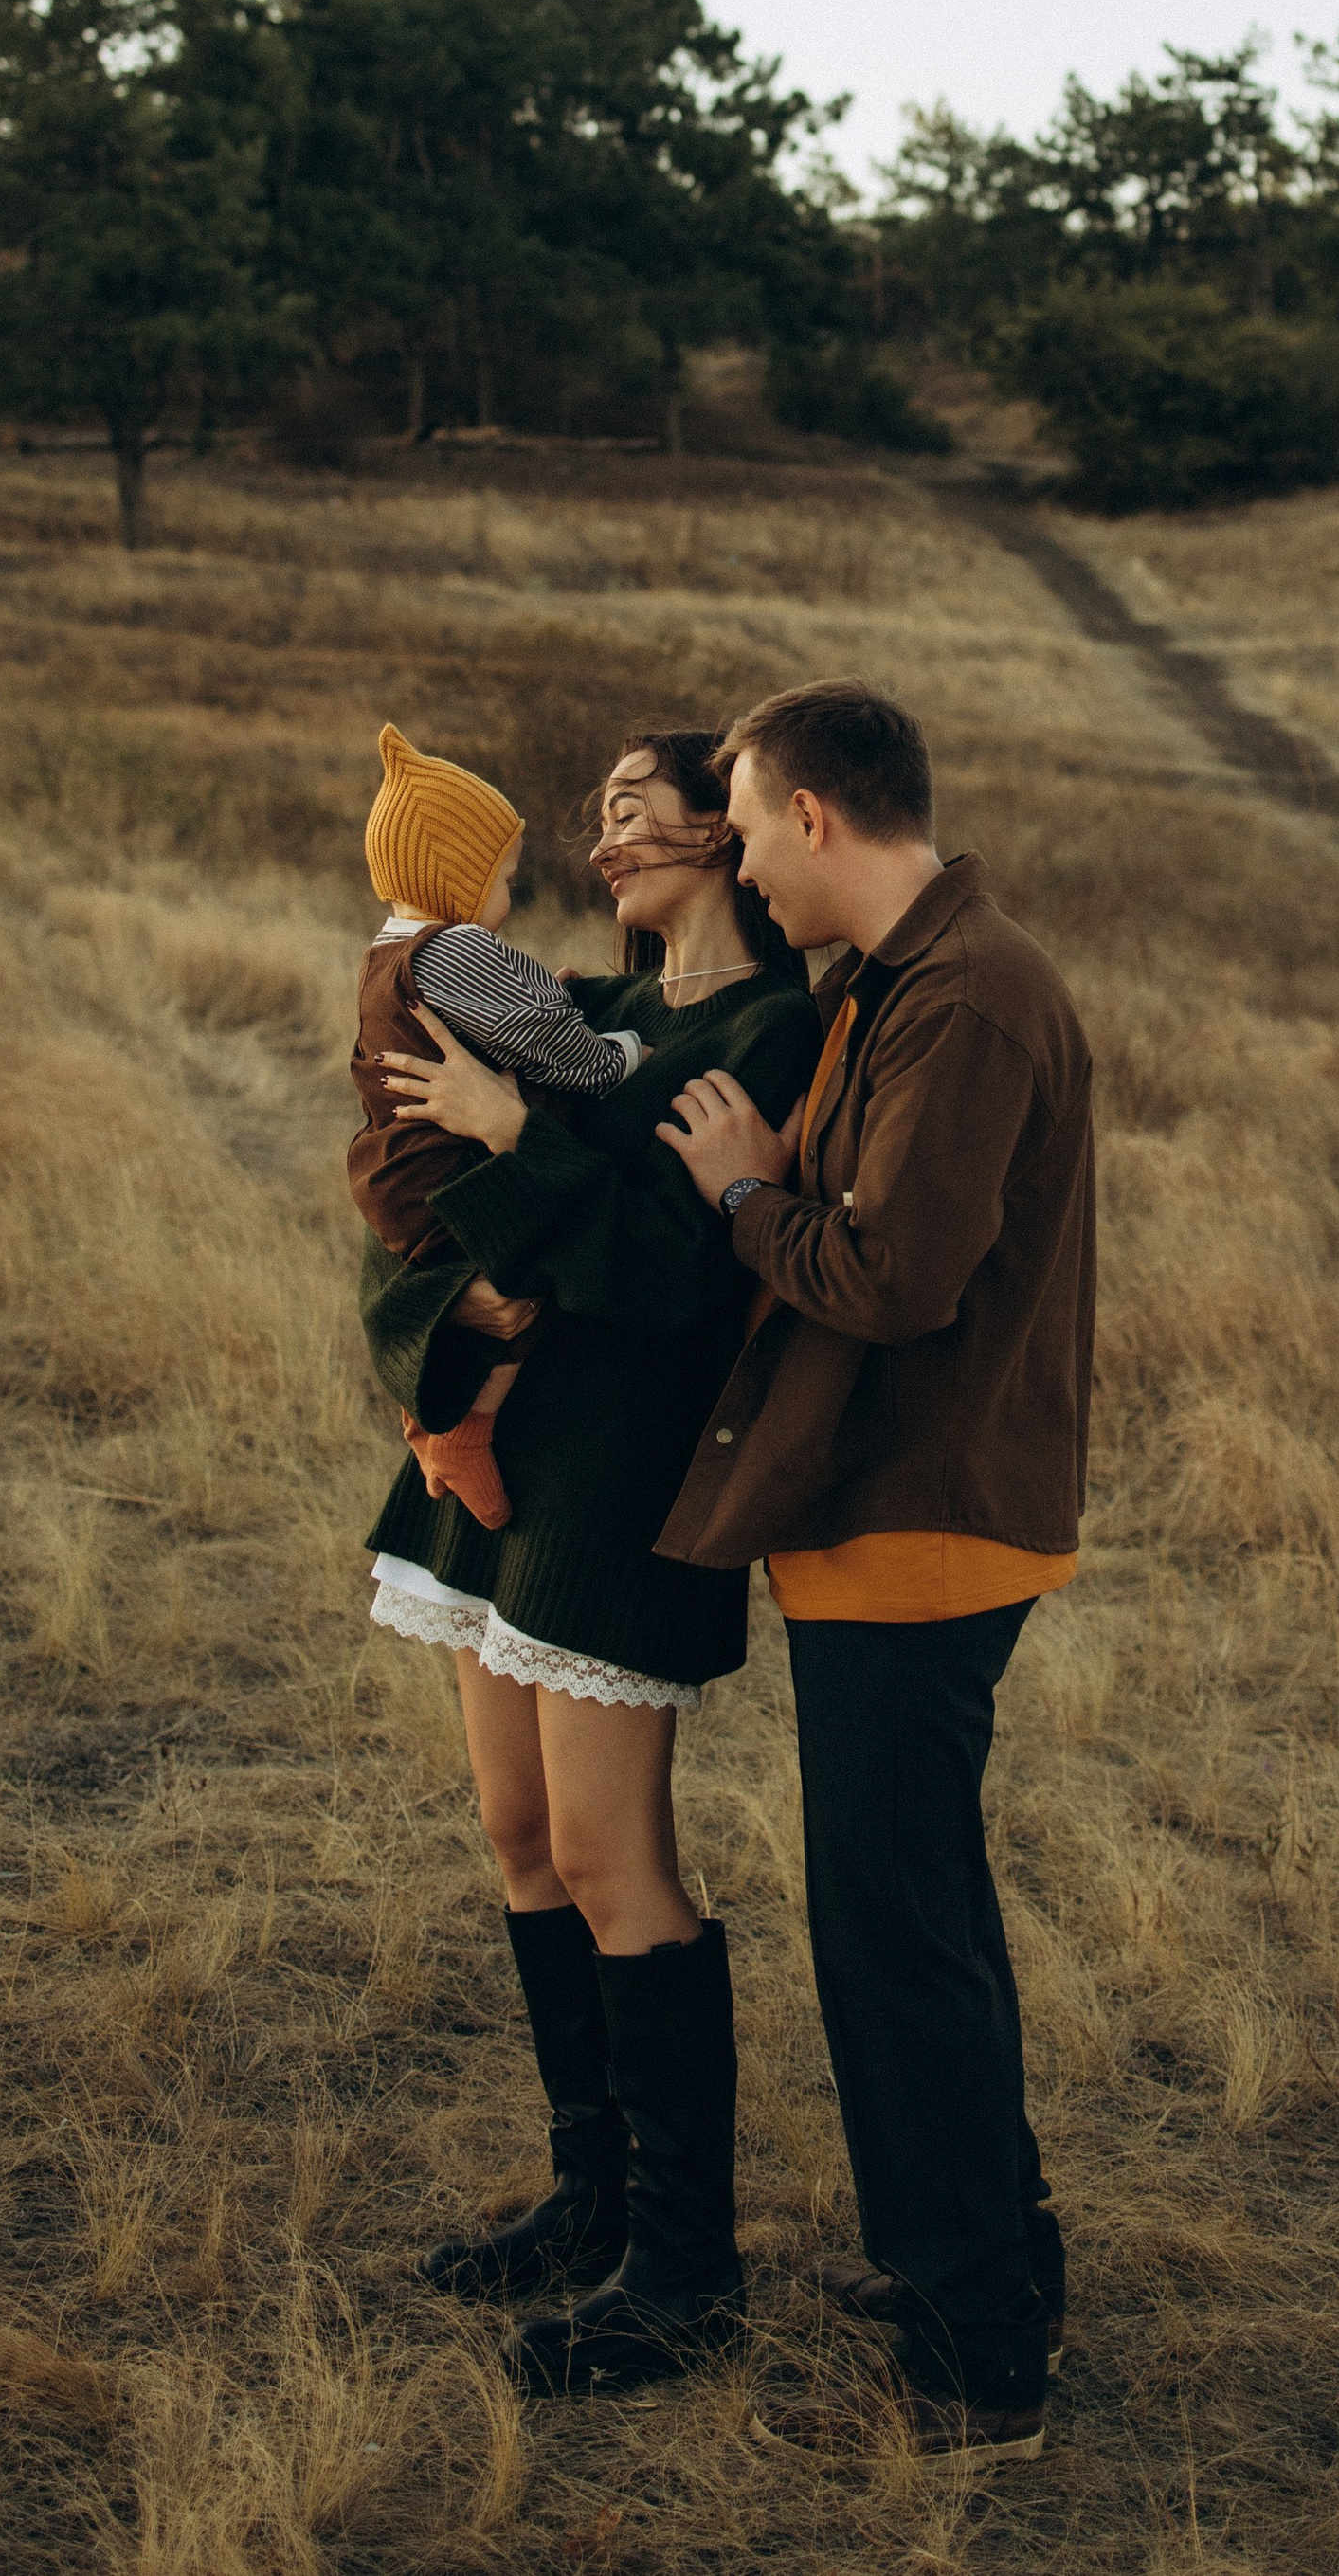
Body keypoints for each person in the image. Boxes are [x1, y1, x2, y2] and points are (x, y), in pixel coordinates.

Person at [655, 677, 1096, 2472]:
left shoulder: (969, 1000)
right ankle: (973, 2273)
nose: (742, 863)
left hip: (925, 1518)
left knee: (899, 1943)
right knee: (911, 1928)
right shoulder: (909, 986)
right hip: (888, 1518)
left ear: (819, 817)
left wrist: (749, 1198)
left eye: (748, 825)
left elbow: (897, 1276)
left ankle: (976, 2358)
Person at [359, 728, 821, 2399]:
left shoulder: (773, 1028)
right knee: (517, 1832)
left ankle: (687, 2269)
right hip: (497, 1464)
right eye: (598, 811)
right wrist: (454, 1303)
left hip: (627, 1476)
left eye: (640, 806)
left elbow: (684, 1279)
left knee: (617, 1858)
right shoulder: (584, 1011)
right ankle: (591, 2196)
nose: (605, 832)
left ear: (726, 826)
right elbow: (403, 1216)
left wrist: (513, 1138)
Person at [350, 718, 653, 1531]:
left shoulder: (391, 953)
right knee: (533, 1269)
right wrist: (624, 1052)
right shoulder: (457, 949)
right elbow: (559, 1049)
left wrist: (533, 1005)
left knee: (504, 1284)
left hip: (403, 1175)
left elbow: (507, 1019)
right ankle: (461, 1425)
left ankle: (439, 1419)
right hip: (454, 1175)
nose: (508, 898)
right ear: (456, 879)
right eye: (505, 876)